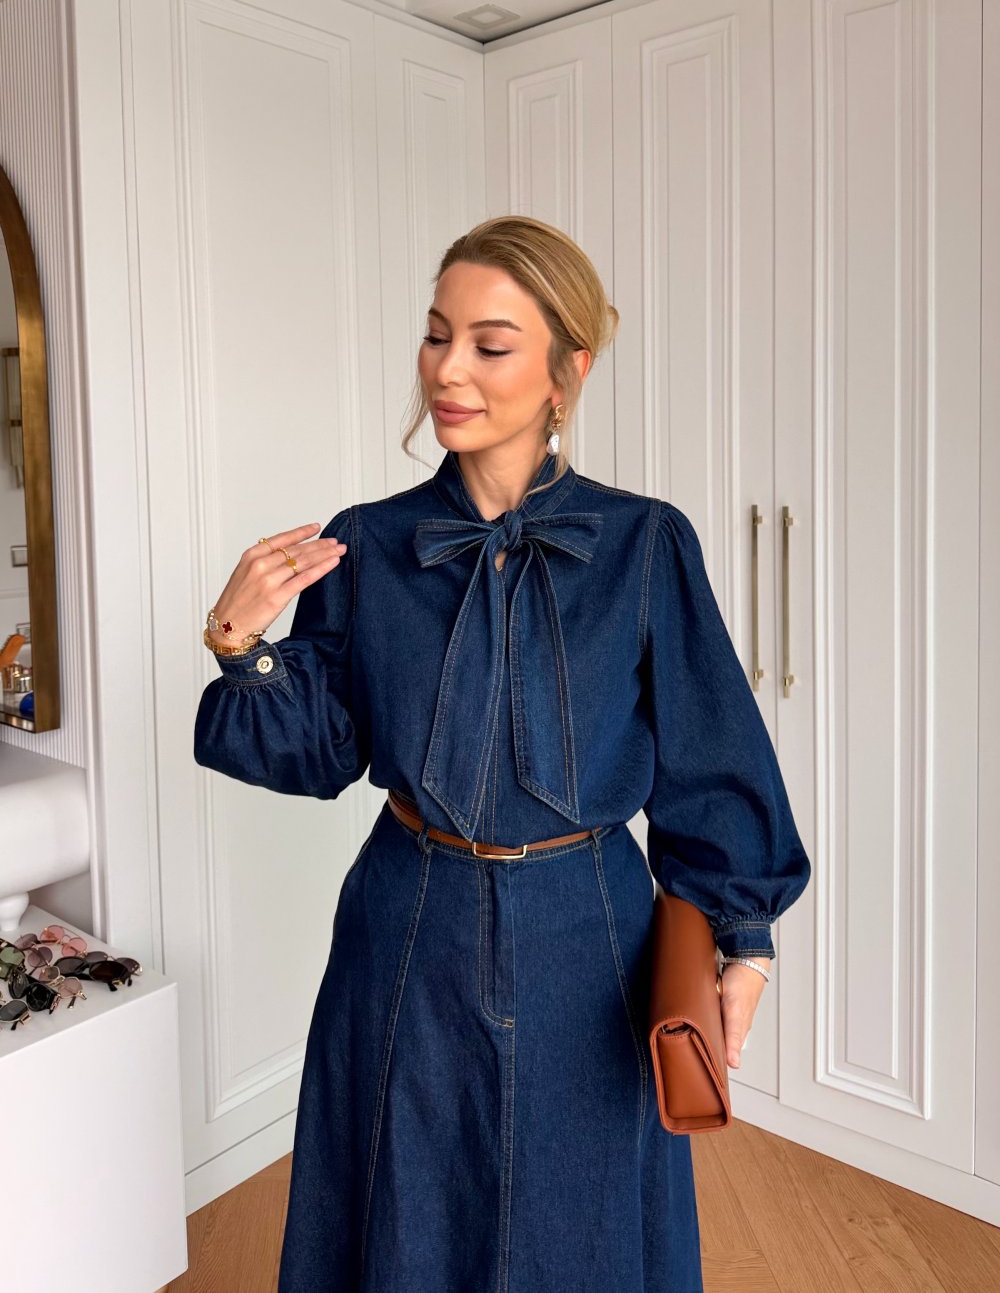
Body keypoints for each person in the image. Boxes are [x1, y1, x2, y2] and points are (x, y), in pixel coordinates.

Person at [194, 215, 812, 1293]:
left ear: (568, 370)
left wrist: (744, 946)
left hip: (592, 932)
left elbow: (712, 754)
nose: (447, 369)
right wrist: (240, 645)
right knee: (406, 1201)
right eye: (437, 335)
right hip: (408, 922)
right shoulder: (367, 541)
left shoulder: (645, 543)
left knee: (586, 1219)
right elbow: (325, 748)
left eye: (489, 344)